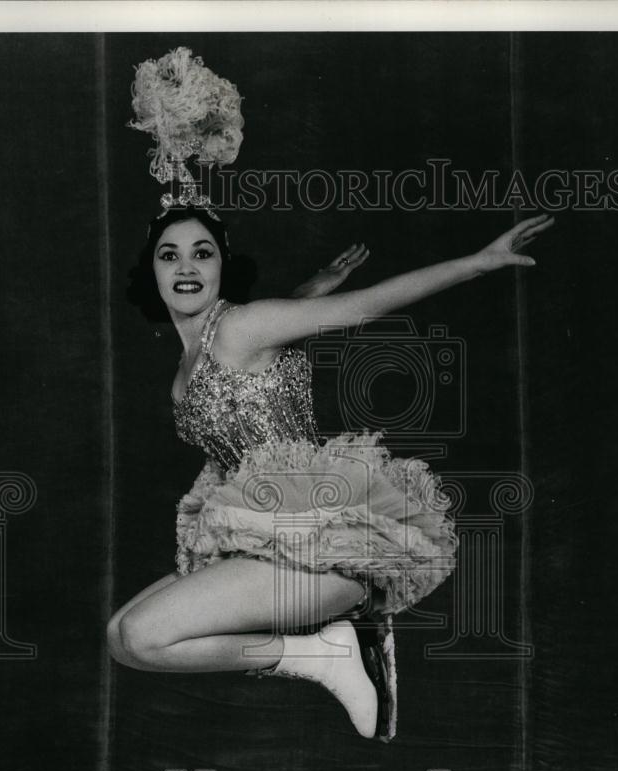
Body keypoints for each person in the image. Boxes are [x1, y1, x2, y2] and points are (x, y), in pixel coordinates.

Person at [106, 201, 554, 741]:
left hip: (322, 550)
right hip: (266, 554)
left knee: (143, 634)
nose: (185, 268)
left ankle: (324, 655)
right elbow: (283, 325)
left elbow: (364, 305)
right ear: (150, 269)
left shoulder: (238, 328)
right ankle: (328, 646)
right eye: (168, 255)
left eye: (202, 254)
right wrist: (317, 282)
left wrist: (476, 263)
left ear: (222, 265)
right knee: (121, 639)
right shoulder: (189, 367)